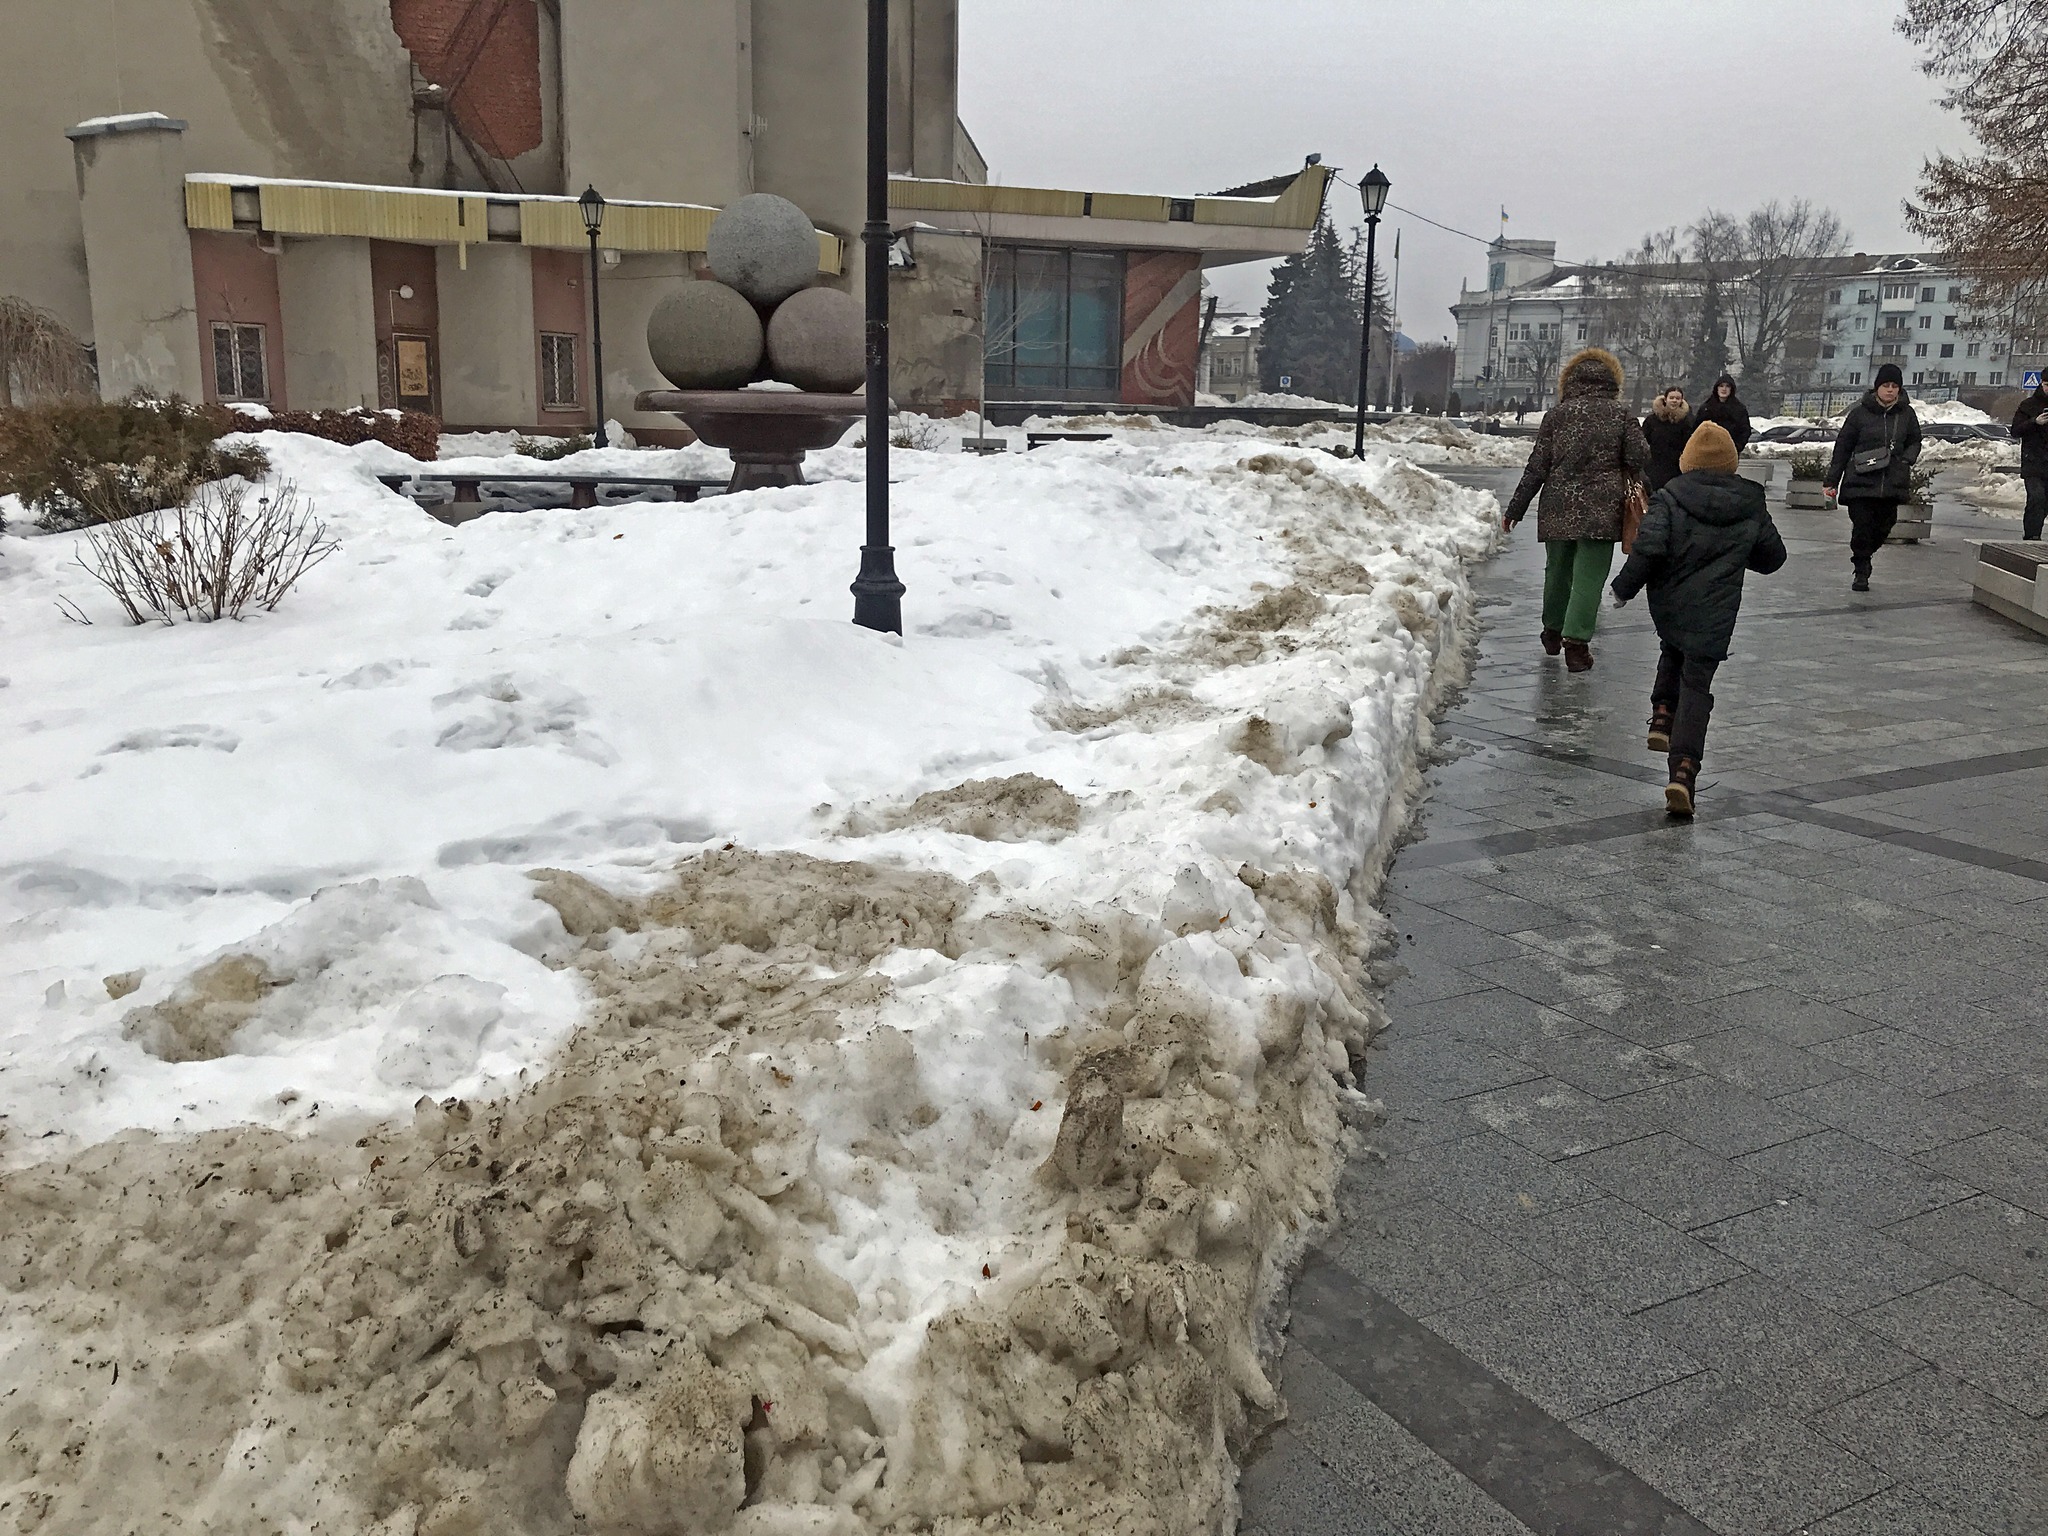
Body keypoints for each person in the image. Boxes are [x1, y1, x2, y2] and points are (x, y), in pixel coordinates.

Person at [1610, 420, 1786, 818]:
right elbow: (1772, 558)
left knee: (1672, 648)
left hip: (1671, 603)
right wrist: (1737, 550)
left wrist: (1623, 588)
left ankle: (1661, 715)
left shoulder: (1670, 497)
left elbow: (1649, 549)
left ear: (1687, 461)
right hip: (1716, 613)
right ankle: (1684, 772)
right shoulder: (1749, 501)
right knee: (1696, 686)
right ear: (1731, 462)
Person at [1502, 347, 1651, 671]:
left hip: (1557, 505)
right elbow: (1639, 456)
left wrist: (1515, 509)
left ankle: (1552, 631)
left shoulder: (1556, 415)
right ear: (1613, 381)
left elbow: (1537, 466)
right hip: (1602, 508)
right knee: (1589, 576)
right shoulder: (1621, 414)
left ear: (1569, 381)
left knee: (1556, 571)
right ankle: (1577, 645)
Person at [1824, 363, 1923, 591]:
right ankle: (1861, 569)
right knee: (1862, 527)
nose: (1890, 390)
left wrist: (1906, 459)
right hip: (1860, 481)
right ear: (1877, 387)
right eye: (1886, 385)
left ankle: (1865, 555)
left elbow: (1915, 440)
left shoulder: (1906, 414)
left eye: (1894, 386)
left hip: (1891, 482)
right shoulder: (1859, 414)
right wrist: (1831, 481)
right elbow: (1842, 448)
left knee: (1885, 526)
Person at [2012, 378, 2048, 541]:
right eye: (2047, 385)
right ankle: (2032, 536)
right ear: (2042, 383)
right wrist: (2035, 422)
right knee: (2036, 497)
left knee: (2044, 503)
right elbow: (2015, 431)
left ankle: (2034, 532)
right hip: (2033, 462)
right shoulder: (2028, 405)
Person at [1642, 386, 1693, 492]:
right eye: (1671, 398)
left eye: (1677, 398)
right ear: (1665, 399)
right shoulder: (1652, 420)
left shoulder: (1686, 421)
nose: (1674, 401)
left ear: (1681, 401)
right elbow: (1643, 441)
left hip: (1676, 469)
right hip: (1654, 466)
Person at [1695, 373, 1752, 452]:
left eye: (1727, 386)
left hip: (1730, 451)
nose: (1724, 389)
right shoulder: (1706, 408)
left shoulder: (1739, 409)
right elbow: (1697, 429)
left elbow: (1745, 431)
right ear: (1717, 388)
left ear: (1731, 389)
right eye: (1721, 386)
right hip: (1708, 451)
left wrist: (1737, 447)